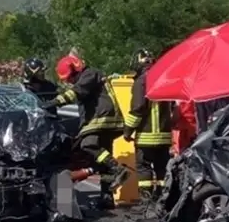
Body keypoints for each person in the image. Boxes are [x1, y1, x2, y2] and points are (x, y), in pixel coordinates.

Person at [42, 55, 130, 203]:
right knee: (102, 161)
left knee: (88, 144)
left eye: (70, 78)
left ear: (76, 70)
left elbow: (77, 92)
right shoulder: (88, 76)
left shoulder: (90, 74)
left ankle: (118, 169)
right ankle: (106, 198)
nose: (70, 82)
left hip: (102, 119)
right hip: (102, 120)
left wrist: (54, 102)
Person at [123, 48, 173, 202]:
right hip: (164, 136)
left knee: (144, 167)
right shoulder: (164, 78)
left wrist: (127, 131)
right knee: (162, 168)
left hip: (146, 136)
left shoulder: (141, 82)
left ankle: (146, 201)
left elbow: (138, 108)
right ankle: (164, 200)